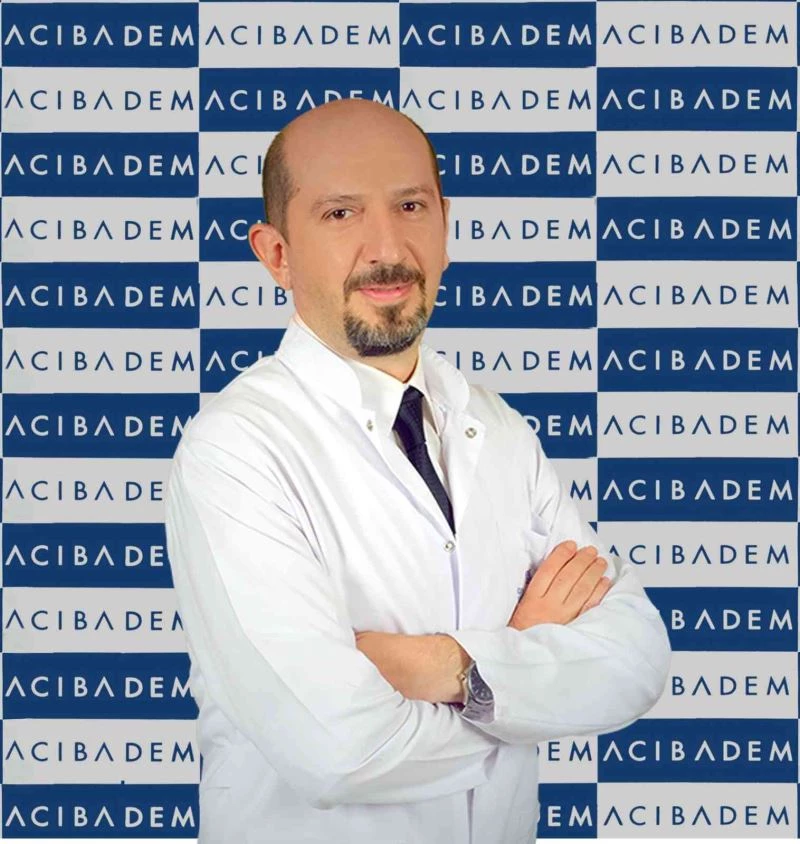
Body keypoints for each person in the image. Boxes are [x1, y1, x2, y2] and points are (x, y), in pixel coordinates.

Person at [164, 98, 672, 844]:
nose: (386, 246)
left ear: (444, 226)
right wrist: (520, 674)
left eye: (411, 206)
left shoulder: (499, 429)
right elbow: (340, 751)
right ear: (276, 255)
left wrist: (450, 668)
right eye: (341, 214)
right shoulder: (237, 450)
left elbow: (635, 659)